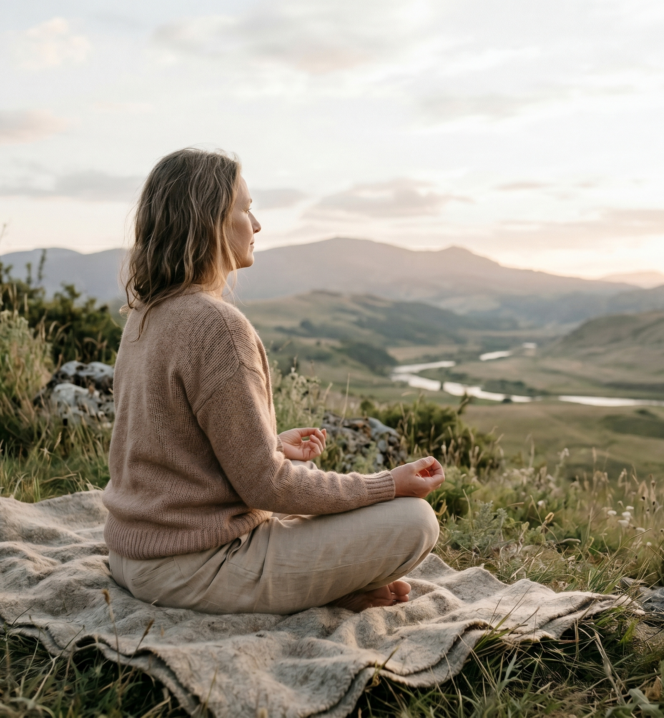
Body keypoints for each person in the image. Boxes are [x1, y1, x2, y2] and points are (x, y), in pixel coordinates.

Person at [103, 148, 443, 614]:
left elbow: (166, 448)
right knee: (414, 521)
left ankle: (324, 588)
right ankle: (319, 590)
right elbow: (268, 489)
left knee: (317, 495)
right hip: (192, 568)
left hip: (131, 559)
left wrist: (270, 444)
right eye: (245, 209)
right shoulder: (216, 325)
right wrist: (389, 484)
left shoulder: (146, 314)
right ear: (211, 223)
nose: (257, 224)